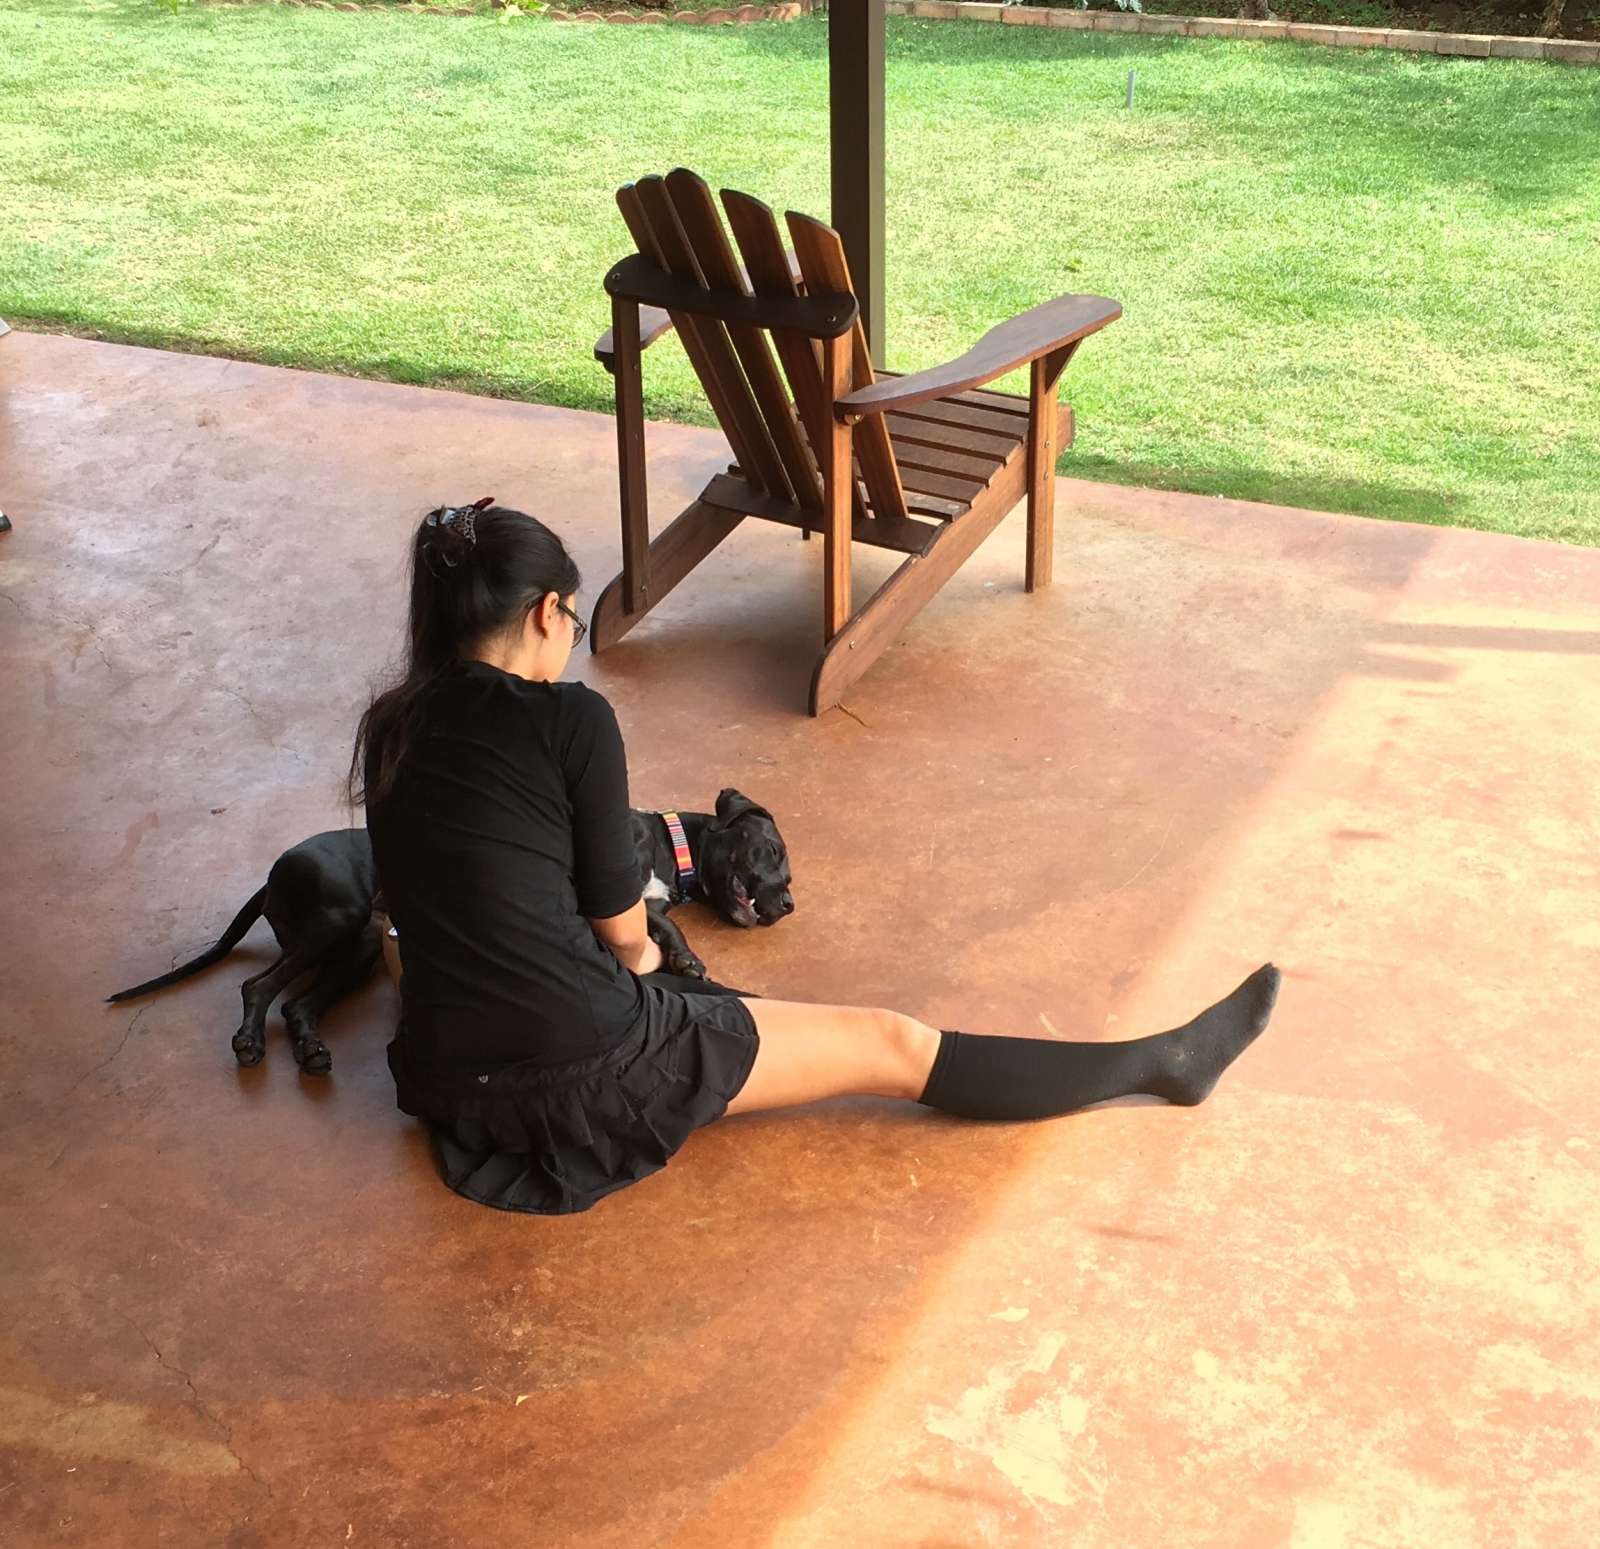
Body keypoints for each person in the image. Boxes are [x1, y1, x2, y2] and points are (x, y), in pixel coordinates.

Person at [350, 501, 1282, 1216]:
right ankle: (1165, 1062)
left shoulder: (391, 728)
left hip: (451, 1081)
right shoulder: (570, 720)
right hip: (582, 1073)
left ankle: (708, 1027)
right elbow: (625, 935)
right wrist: (656, 970)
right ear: (546, 612)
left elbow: (422, 911)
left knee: (716, 1008)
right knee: (888, 1042)